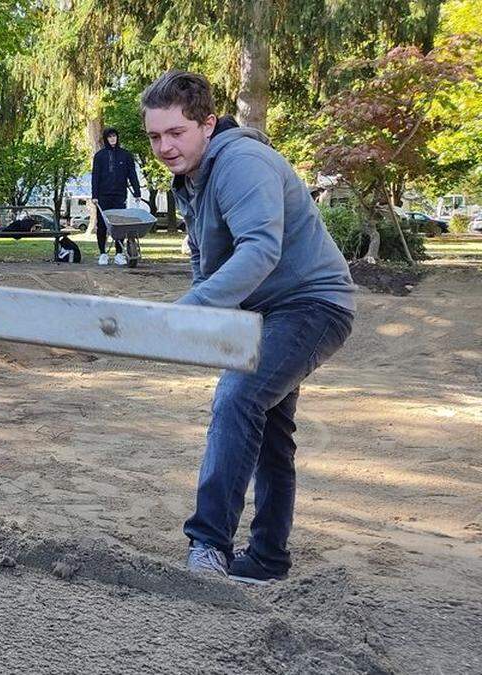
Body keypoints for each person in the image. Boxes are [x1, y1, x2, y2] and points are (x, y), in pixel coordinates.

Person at [140, 70, 355, 583]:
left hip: (312, 305)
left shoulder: (241, 162)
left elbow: (260, 249)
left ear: (207, 124)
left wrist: (189, 308)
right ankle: (266, 560)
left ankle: (209, 546)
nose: (165, 146)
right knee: (269, 429)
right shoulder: (192, 180)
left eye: (176, 133)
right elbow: (208, 267)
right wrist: (208, 319)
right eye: (154, 136)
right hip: (266, 314)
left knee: (237, 398)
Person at [90, 126, 141, 266]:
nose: (112, 139)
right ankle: (103, 254)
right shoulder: (99, 156)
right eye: (109, 137)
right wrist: (94, 195)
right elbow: (95, 176)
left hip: (119, 195)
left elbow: (132, 174)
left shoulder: (125, 155)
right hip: (102, 196)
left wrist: (137, 192)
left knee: (119, 225)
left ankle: (119, 254)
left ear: (117, 138)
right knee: (102, 225)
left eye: (114, 136)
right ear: (106, 139)